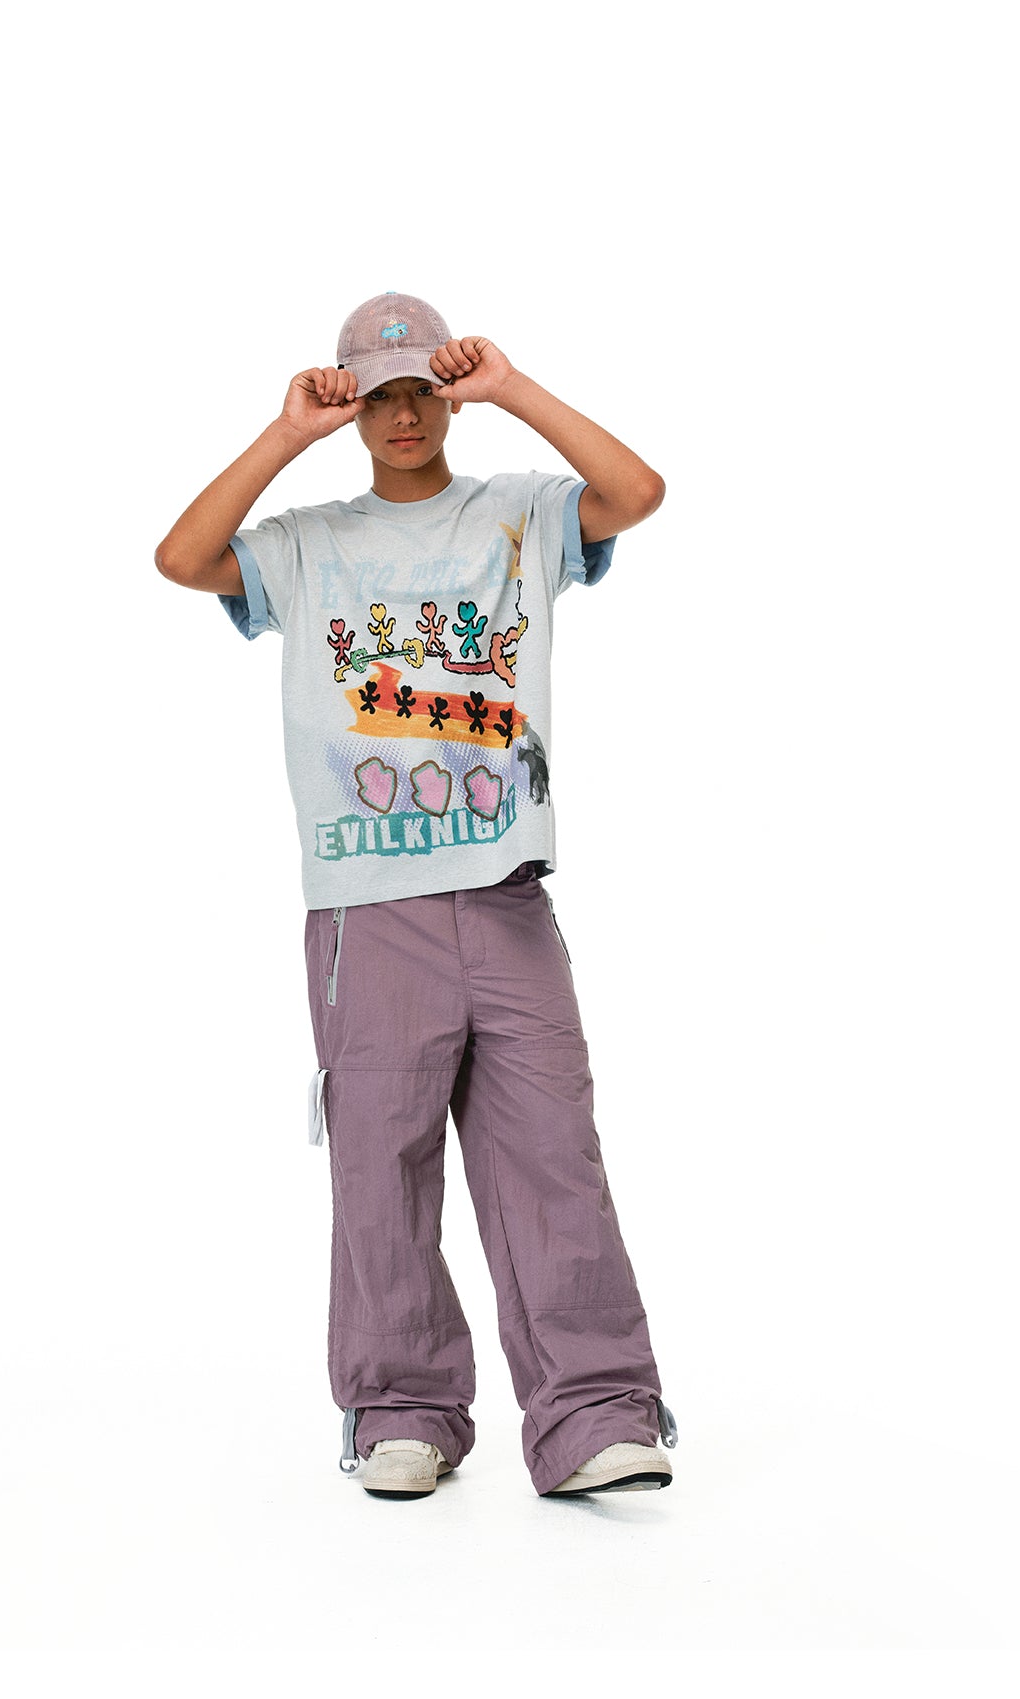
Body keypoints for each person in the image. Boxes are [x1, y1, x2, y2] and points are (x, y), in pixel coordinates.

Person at [155, 291, 678, 1499]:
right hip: (366, 901)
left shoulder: (519, 514)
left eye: (424, 392)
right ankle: (402, 1408)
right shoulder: (305, 542)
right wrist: (285, 432)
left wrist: (511, 386)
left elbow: (638, 491)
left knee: (552, 1151)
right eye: (380, 395)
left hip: (503, 895)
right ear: (351, 406)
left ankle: (595, 1413)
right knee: (380, 1164)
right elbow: (182, 558)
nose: (404, 414)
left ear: (449, 397)